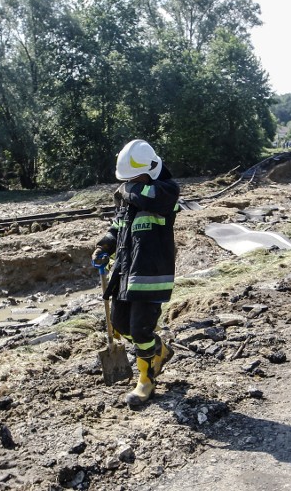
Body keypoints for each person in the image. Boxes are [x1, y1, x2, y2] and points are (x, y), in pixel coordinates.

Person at [91, 139, 179, 407]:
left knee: (140, 329)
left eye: (134, 178)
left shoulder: (165, 191)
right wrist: (104, 245)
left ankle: (146, 378)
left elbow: (144, 196)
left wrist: (126, 188)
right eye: (127, 179)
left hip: (151, 274)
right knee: (120, 323)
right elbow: (118, 226)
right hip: (126, 271)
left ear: (150, 171)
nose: (129, 184)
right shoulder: (131, 197)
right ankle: (158, 350)